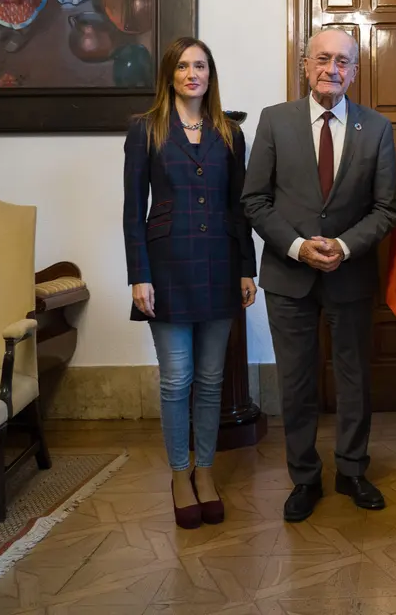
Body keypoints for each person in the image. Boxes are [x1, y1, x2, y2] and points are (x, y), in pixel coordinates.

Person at [242, 27, 396, 521]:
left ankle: (352, 470)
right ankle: (304, 478)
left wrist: (344, 246)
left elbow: (386, 208)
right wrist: (296, 246)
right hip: (289, 276)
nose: (333, 69)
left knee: (354, 377)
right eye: (324, 59)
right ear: (305, 64)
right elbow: (254, 200)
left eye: (344, 62)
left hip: (349, 274)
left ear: (355, 70)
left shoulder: (375, 128)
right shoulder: (274, 121)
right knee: (297, 380)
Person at [123, 36, 258, 530]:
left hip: (220, 265)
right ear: (169, 75)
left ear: (210, 74)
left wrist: (248, 266)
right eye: (182, 66)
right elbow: (132, 208)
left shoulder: (228, 132)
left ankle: (206, 471)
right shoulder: (146, 130)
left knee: (210, 381)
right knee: (177, 379)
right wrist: (139, 274)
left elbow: (239, 206)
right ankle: (180, 475)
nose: (192, 73)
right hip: (167, 268)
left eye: (200, 65)